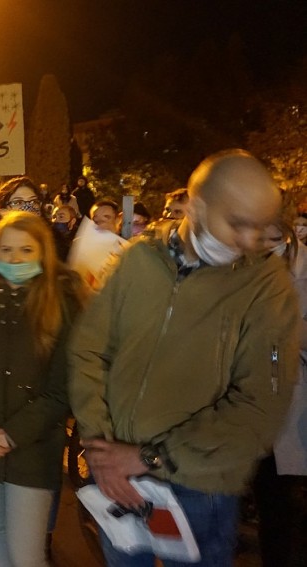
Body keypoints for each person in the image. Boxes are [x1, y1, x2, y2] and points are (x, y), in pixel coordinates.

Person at [68, 150, 300, 566]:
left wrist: (149, 457)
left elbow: (259, 405)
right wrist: (102, 449)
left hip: (201, 489)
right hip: (120, 479)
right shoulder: (138, 259)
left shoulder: (267, 286)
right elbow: (89, 350)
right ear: (196, 207)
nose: (249, 241)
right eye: (238, 223)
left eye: (261, 226)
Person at [0, 212, 87, 567]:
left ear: (43, 252)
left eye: (26, 249)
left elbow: (61, 389)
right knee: (0, 536)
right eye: (7, 250)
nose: (16, 258)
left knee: (26, 556)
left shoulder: (62, 303)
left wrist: (11, 436)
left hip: (32, 451)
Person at [253, 218, 307, 566]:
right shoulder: (239, 268)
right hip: (257, 402)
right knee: (271, 499)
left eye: (273, 239)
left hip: (298, 398)